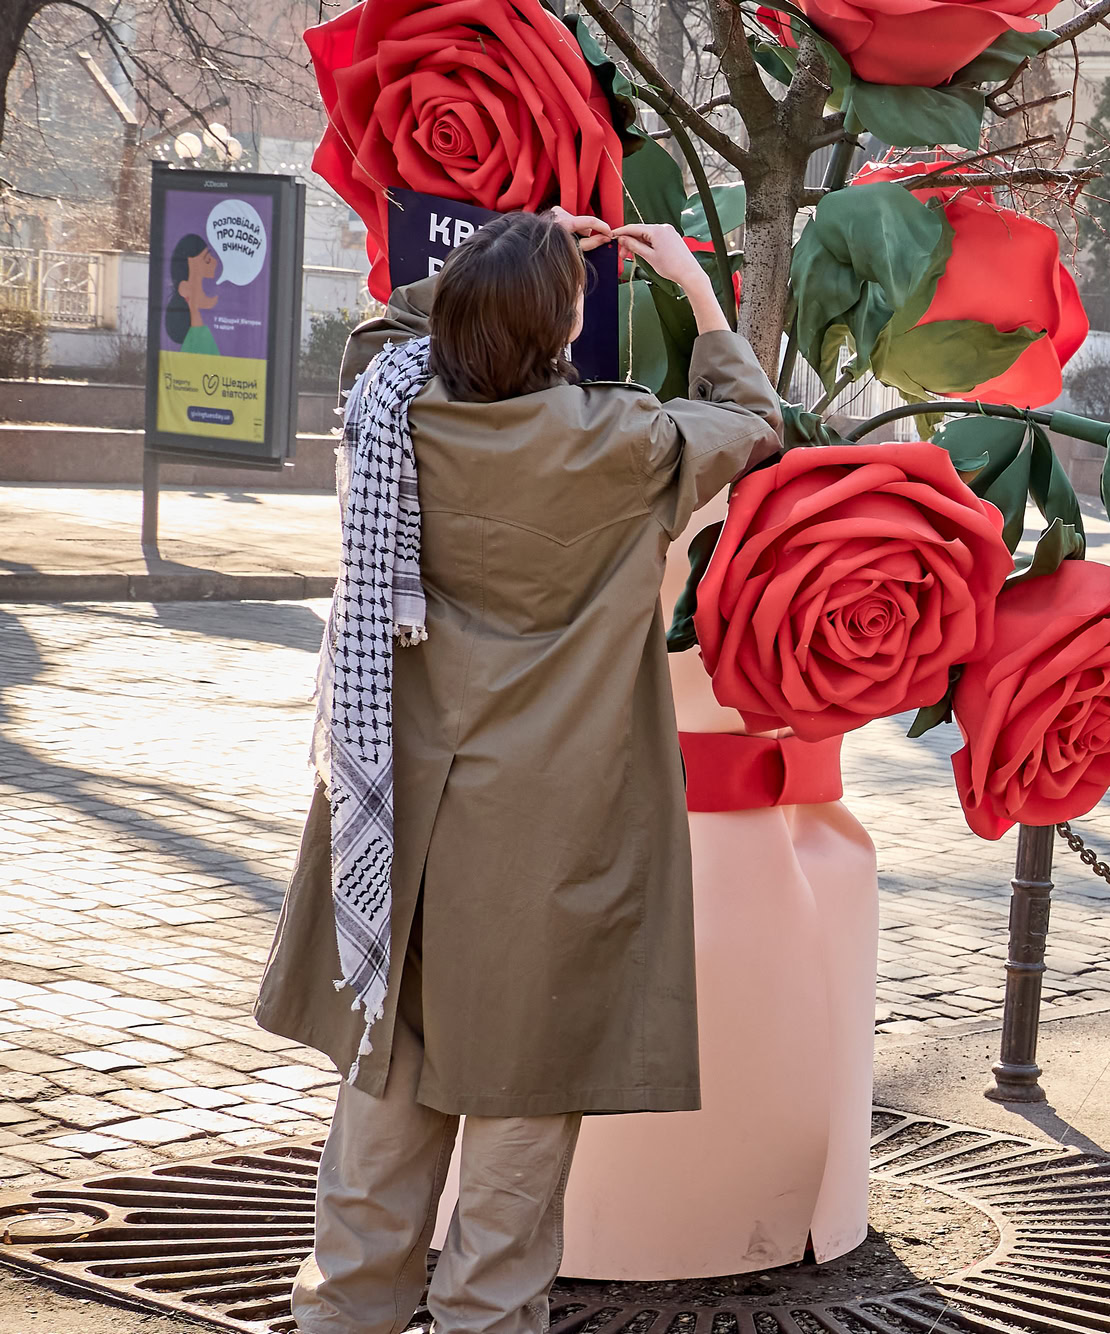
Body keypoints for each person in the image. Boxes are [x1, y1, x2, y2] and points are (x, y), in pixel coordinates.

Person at [255, 208, 783, 1334]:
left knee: (379, 1130)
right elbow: (750, 417)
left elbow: (375, 338)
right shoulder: (619, 441)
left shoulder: (396, 409)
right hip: (556, 840)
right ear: (564, 327)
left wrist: (496, 263)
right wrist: (694, 291)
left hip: (405, 832)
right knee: (511, 1175)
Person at [164, 234, 221, 355]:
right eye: (207, 260)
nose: (215, 263)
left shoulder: (202, 334)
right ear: (185, 289)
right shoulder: (196, 342)